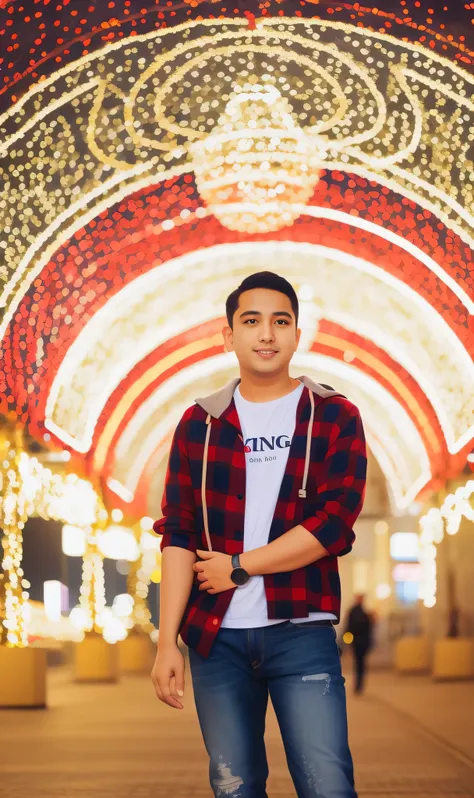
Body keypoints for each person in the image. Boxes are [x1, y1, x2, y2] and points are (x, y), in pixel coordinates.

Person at [151, 271, 367, 798]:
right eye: (251, 321)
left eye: (280, 321)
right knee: (235, 789)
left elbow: (333, 523)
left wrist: (240, 565)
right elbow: (178, 534)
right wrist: (166, 643)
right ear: (229, 336)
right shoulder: (198, 425)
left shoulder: (333, 417)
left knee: (328, 787)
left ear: (296, 334)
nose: (266, 334)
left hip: (302, 630)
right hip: (216, 641)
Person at [345, 595, 374, 695]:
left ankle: (359, 685)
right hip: (359, 642)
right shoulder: (359, 613)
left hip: (359, 642)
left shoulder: (359, 612)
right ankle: (358, 685)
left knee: (359, 664)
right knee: (360, 664)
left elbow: (348, 627)